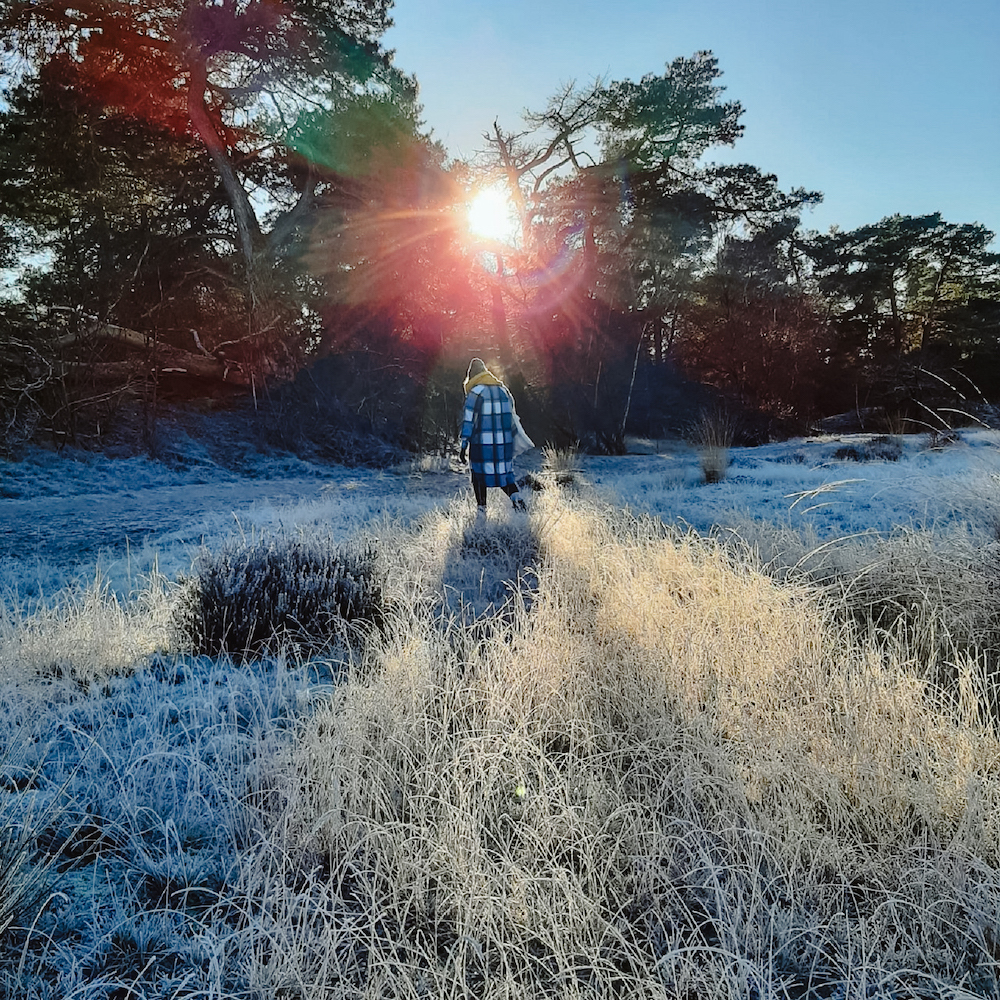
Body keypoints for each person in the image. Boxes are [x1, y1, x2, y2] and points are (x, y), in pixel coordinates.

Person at [459, 358, 528, 514]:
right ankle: (520, 505)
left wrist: (463, 447)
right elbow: (513, 419)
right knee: (505, 476)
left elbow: (468, 421)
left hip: (482, 445)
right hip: (504, 445)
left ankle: (482, 514)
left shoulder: (475, 393)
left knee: (478, 475)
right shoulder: (504, 391)